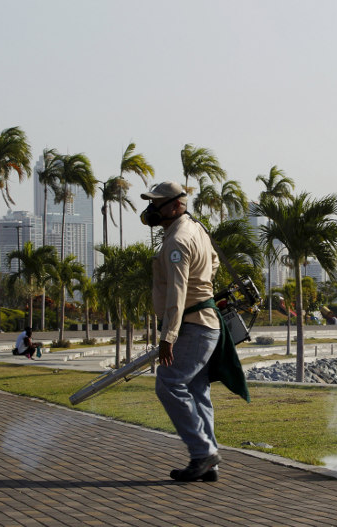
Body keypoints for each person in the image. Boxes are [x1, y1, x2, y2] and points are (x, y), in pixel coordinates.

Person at [141, 181, 222, 482]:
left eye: (157, 203)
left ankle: (202, 452)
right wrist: (204, 285)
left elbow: (177, 291)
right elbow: (212, 262)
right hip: (205, 321)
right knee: (197, 390)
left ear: (176, 206)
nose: (151, 210)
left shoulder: (177, 240)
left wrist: (168, 337)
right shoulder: (196, 229)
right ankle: (208, 463)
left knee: (168, 383)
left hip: (192, 325)